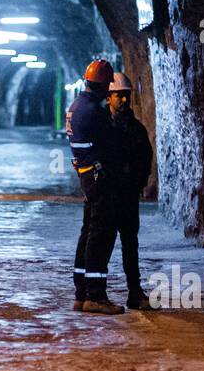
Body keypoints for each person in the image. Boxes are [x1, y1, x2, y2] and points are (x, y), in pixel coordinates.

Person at [66, 58, 125, 314]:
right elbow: (110, 146)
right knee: (100, 236)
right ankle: (96, 296)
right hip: (99, 179)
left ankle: (81, 292)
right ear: (103, 86)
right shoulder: (95, 111)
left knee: (88, 231)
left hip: (86, 176)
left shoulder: (76, 105)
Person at [106, 73, 153, 309]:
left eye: (126, 96)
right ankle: (95, 293)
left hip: (127, 195)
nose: (123, 100)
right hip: (106, 195)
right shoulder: (102, 126)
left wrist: (139, 182)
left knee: (129, 243)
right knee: (101, 243)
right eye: (118, 96)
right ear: (108, 98)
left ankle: (134, 291)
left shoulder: (136, 129)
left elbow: (146, 157)